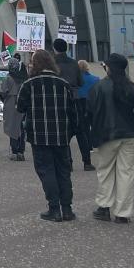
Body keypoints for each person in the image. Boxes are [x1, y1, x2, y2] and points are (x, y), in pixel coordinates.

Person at [17, 49, 78, 222]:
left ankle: (54, 209)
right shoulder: (63, 83)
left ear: (35, 64)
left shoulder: (29, 84)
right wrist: (72, 131)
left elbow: (19, 107)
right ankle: (67, 208)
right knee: (63, 171)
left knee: (46, 171)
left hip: (39, 135)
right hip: (61, 135)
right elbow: (73, 111)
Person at [87, 53, 134, 224]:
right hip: (129, 134)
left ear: (109, 67)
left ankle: (104, 206)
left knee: (105, 171)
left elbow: (89, 112)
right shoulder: (132, 87)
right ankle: (122, 213)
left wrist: (93, 131)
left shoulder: (99, 87)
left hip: (106, 134)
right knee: (126, 173)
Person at [51, 38, 90, 170]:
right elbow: (81, 82)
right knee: (81, 131)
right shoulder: (74, 63)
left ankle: (68, 162)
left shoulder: (52, 63)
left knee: (63, 132)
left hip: (59, 99)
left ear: (55, 49)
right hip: (75, 98)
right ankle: (87, 162)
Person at [0, 55, 27, 161]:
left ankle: (14, 151)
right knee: (21, 128)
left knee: (12, 127)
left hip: (11, 104)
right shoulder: (23, 78)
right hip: (21, 104)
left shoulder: (8, 78)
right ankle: (21, 151)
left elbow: (3, 92)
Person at [77, 60, 100, 170]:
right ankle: (94, 141)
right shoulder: (96, 79)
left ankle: (88, 144)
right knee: (94, 124)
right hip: (93, 103)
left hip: (80, 104)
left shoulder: (76, 80)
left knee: (84, 126)